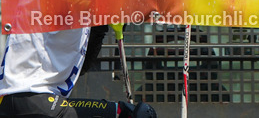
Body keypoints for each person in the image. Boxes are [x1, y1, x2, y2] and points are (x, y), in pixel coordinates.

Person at [0, 28, 157, 117]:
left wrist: (101, 28)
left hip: (35, 101)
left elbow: (81, 67)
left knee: (124, 113)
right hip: (35, 99)